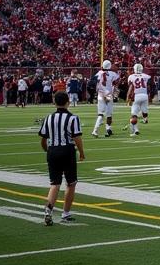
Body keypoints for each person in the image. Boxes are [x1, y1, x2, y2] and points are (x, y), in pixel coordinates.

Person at [40, 91, 84, 226]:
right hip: (67, 151)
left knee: (54, 184)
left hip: (52, 151)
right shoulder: (73, 118)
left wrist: (47, 150)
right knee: (71, 183)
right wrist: (82, 152)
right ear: (68, 102)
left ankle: (48, 210)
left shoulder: (48, 117)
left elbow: (43, 139)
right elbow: (77, 137)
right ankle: (65, 213)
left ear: (54, 103)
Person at [92, 59, 120, 138]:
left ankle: (97, 130)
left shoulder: (99, 73)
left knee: (101, 114)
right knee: (109, 114)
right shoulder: (112, 74)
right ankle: (106, 129)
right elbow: (117, 81)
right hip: (108, 94)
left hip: (100, 94)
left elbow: (94, 81)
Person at [126, 63, 151, 137]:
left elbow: (131, 87)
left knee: (134, 115)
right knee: (144, 111)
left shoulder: (131, 76)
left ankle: (135, 130)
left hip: (136, 96)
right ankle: (144, 119)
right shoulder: (146, 76)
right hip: (145, 95)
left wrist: (128, 97)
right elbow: (149, 87)